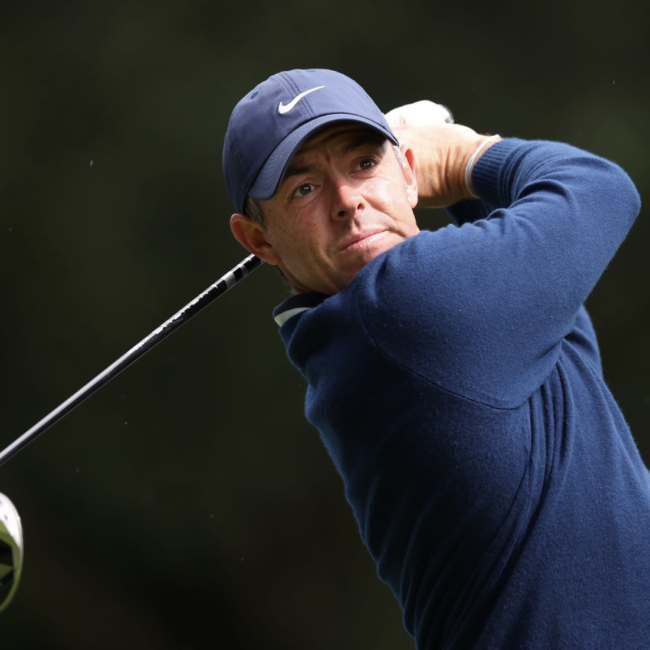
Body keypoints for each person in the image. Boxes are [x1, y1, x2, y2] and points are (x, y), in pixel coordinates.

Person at [222, 69, 649, 648]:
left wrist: (462, 190)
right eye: (304, 189)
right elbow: (600, 188)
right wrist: (465, 158)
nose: (347, 201)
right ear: (259, 240)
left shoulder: (365, 336)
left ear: (406, 172)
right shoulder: (403, 306)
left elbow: (565, 327)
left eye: (363, 163)